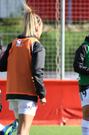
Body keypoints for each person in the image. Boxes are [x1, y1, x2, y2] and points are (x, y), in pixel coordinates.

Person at [0, 3, 46, 135]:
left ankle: (4, 130)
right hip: (27, 94)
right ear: (37, 27)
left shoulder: (13, 43)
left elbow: (2, 66)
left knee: (20, 127)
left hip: (12, 94)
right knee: (23, 131)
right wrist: (42, 93)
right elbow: (37, 72)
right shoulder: (36, 45)